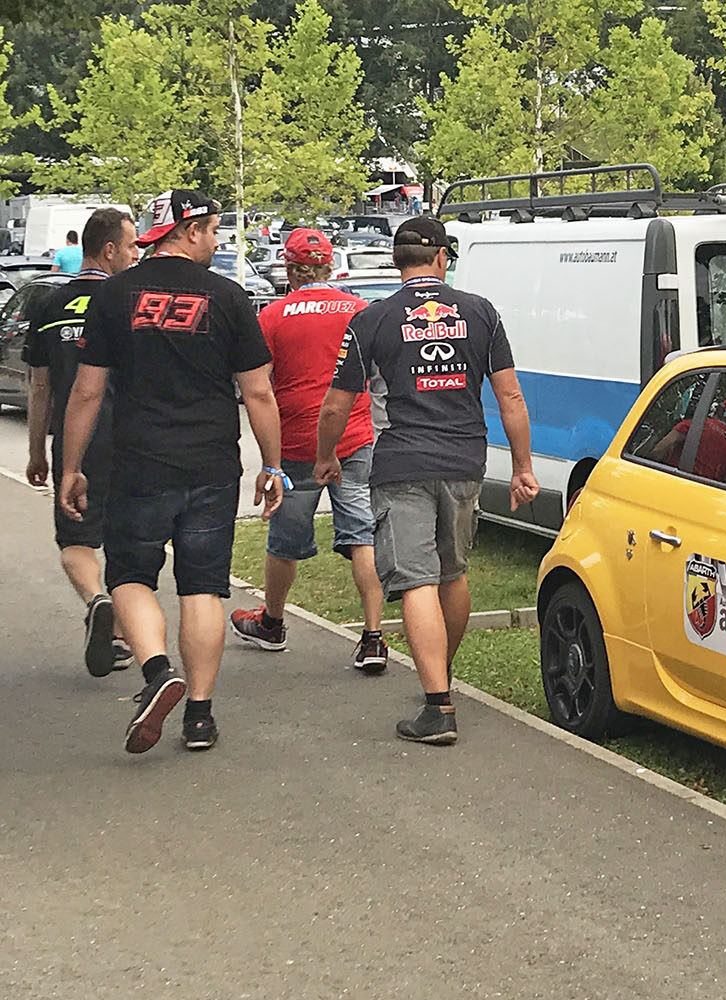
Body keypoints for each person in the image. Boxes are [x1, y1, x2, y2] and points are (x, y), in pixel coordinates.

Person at [60, 189, 285, 755]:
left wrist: (70, 465)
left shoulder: (113, 295)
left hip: (137, 463)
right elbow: (258, 391)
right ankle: (201, 718)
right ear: (189, 231)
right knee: (203, 587)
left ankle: (158, 672)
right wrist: (274, 466)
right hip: (211, 464)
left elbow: (87, 392)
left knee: (130, 576)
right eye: (212, 230)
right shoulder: (230, 297)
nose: (216, 241)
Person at [315, 216, 538, 746]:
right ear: (441, 258)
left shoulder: (372, 319)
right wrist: (524, 467)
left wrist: (326, 455)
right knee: (451, 573)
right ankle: (441, 678)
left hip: (400, 463)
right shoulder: (481, 312)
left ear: (398, 261)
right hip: (464, 461)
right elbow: (510, 396)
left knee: (415, 579)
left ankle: (437, 703)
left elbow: (337, 403)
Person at [230, 228, 389, 672]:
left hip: (296, 441)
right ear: (329, 265)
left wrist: (269, 462)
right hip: (354, 437)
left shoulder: (273, 316)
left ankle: (273, 622)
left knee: (284, 538)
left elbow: (258, 388)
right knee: (363, 536)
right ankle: (373, 637)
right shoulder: (360, 311)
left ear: (290, 268)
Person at [23, 208, 139, 676]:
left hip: (76, 440)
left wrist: (37, 450)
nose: (137, 254)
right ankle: (118, 632)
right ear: (109, 250)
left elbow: (39, 387)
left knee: (76, 538)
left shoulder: (49, 306)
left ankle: (97, 601)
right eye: (132, 246)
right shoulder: (131, 303)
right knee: (125, 538)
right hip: (130, 438)